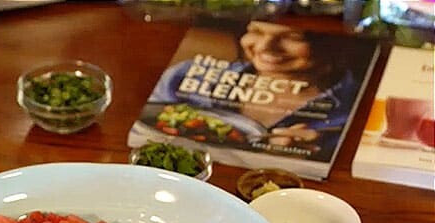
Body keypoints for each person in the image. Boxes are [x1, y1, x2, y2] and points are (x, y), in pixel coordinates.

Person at [148, 21, 367, 159]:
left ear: (332, 43)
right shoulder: (186, 75)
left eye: (292, 37)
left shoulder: (357, 109)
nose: (264, 47)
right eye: (256, 31)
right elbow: (148, 134)